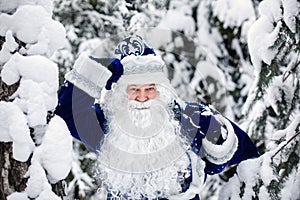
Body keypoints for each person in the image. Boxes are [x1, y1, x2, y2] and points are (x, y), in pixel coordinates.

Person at [55, 35, 260, 200]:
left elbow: (247, 156)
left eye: (150, 89)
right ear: (120, 92)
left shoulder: (190, 119)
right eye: (133, 88)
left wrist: (218, 144)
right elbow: (65, 115)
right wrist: (96, 71)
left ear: (160, 89)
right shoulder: (107, 124)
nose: (142, 97)